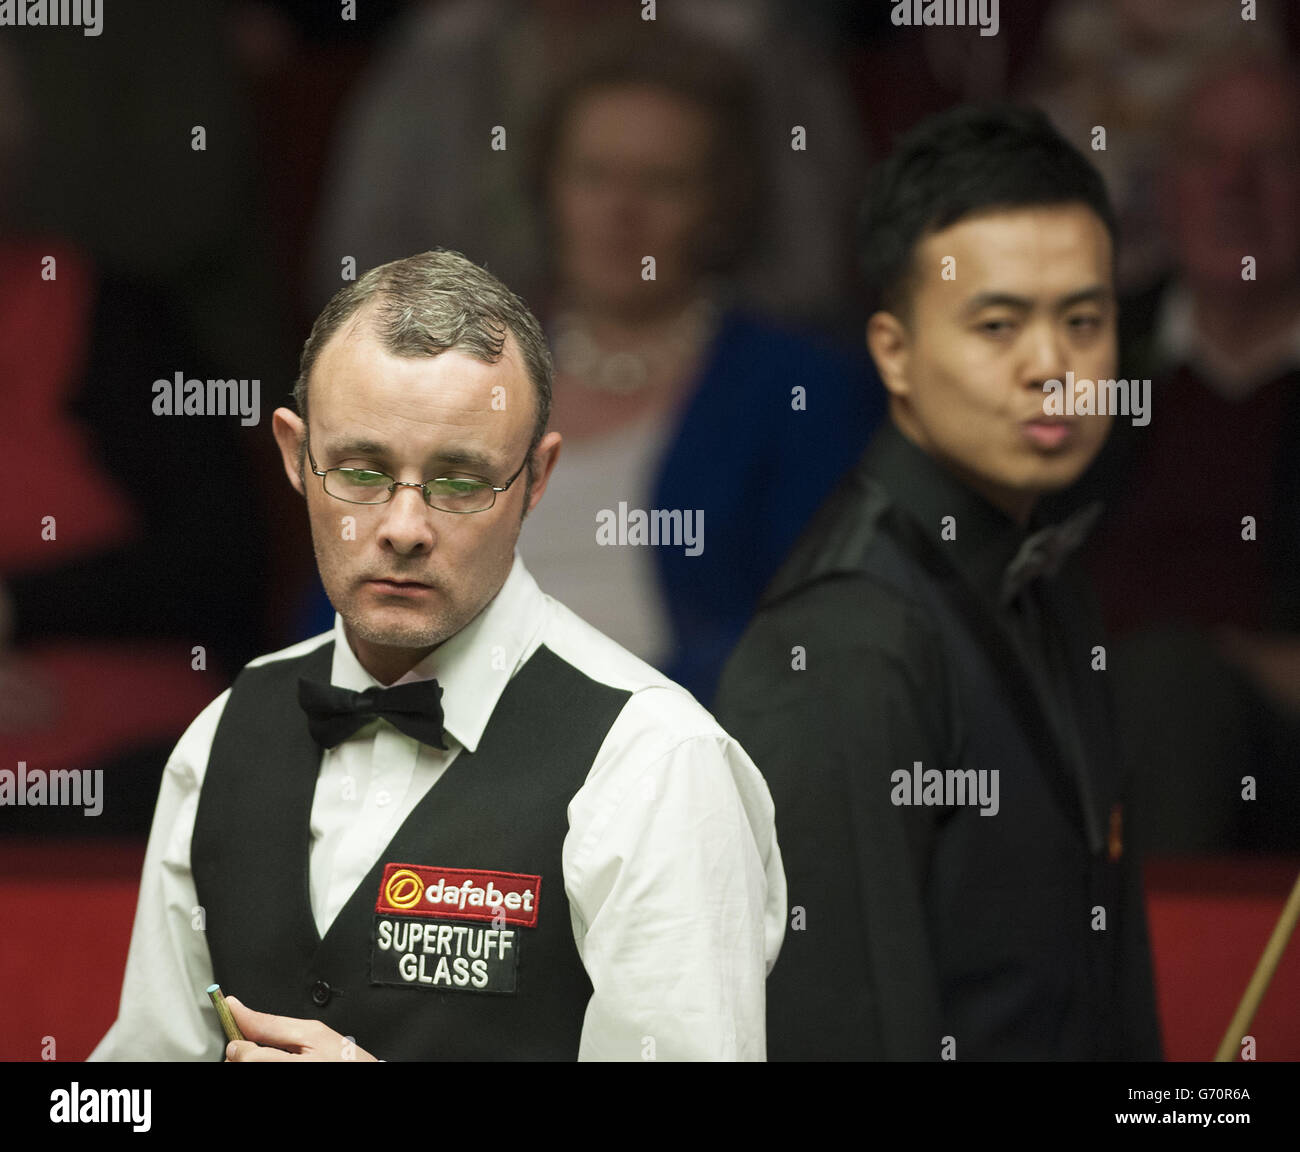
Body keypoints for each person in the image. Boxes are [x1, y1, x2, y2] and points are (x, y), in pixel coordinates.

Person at [90, 249, 785, 1062]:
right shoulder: (224, 736)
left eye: (459, 482)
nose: (405, 527)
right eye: (361, 470)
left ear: (536, 479)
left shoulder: (657, 763)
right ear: (293, 455)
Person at [714, 106, 1162, 1060]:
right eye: (998, 324)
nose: (1054, 367)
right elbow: (841, 1034)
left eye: (1084, 321)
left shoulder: (1046, 572)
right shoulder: (848, 640)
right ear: (894, 352)